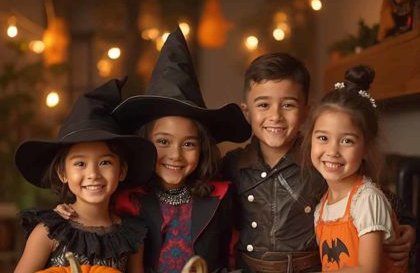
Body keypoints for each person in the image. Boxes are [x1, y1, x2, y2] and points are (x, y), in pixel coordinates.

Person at [56, 27, 252, 273]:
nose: (176, 155)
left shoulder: (221, 197)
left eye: (189, 144)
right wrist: (65, 212)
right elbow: (92, 218)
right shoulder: (125, 199)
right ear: (145, 141)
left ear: (203, 148)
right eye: (163, 141)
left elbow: (232, 254)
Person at [221, 53, 416, 272]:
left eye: (288, 105)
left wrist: (410, 228)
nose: (275, 116)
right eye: (264, 105)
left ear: (306, 111)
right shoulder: (234, 165)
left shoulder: (323, 160)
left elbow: (380, 201)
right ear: (246, 112)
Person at [13, 79, 156, 273]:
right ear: (62, 173)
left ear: (121, 171)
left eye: (105, 162)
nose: (93, 174)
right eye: (80, 164)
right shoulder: (49, 233)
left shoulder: (131, 236)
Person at [301, 65, 407, 272]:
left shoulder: (367, 199)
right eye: (323, 138)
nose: (333, 150)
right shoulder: (321, 207)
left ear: (366, 148)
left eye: (347, 141)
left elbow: (368, 269)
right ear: (310, 139)